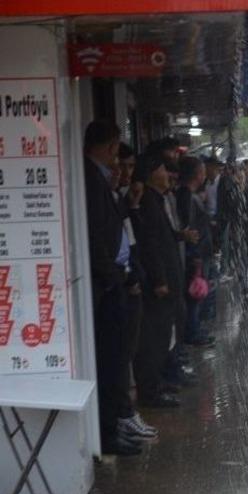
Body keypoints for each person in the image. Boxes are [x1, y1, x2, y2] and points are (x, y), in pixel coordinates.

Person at [83, 120, 140, 456]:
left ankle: (115, 425)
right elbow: (94, 235)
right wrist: (112, 275)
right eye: (117, 150)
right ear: (109, 147)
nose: (118, 161)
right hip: (108, 283)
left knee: (118, 357)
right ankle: (107, 433)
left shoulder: (104, 180)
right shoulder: (91, 180)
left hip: (116, 277)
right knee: (110, 360)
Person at [113, 142, 159, 444]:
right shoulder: (109, 197)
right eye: (121, 166)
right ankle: (121, 416)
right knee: (119, 356)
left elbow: (134, 239)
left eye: (130, 167)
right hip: (116, 284)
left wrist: (134, 205)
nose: (124, 173)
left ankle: (126, 413)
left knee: (126, 352)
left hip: (131, 280)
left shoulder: (125, 200)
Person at [131, 153, 183, 409]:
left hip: (168, 279)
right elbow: (150, 245)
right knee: (154, 338)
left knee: (164, 336)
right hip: (158, 285)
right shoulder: (149, 202)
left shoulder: (157, 200)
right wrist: (160, 279)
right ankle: (150, 390)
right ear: (153, 173)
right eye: (164, 168)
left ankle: (158, 382)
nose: (169, 174)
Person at [176, 155, 215, 348]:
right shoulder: (187, 197)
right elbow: (190, 227)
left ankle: (194, 329)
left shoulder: (192, 196)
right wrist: (195, 255)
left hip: (199, 253)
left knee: (197, 294)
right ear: (198, 174)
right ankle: (192, 332)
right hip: (195, 255)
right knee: (195, 295)